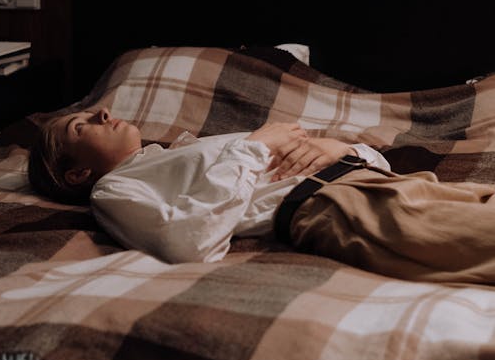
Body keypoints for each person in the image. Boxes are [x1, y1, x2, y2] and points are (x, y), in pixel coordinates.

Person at [27, 107, 495, 284]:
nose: (104, 111)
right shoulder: (114, 188)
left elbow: (289, 160)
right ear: (77, 174)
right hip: (335, 206)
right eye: (80, 125)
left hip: (375, 181)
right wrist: (255, 145)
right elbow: (187, 244)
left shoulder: (180, 153)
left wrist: (343, 148)